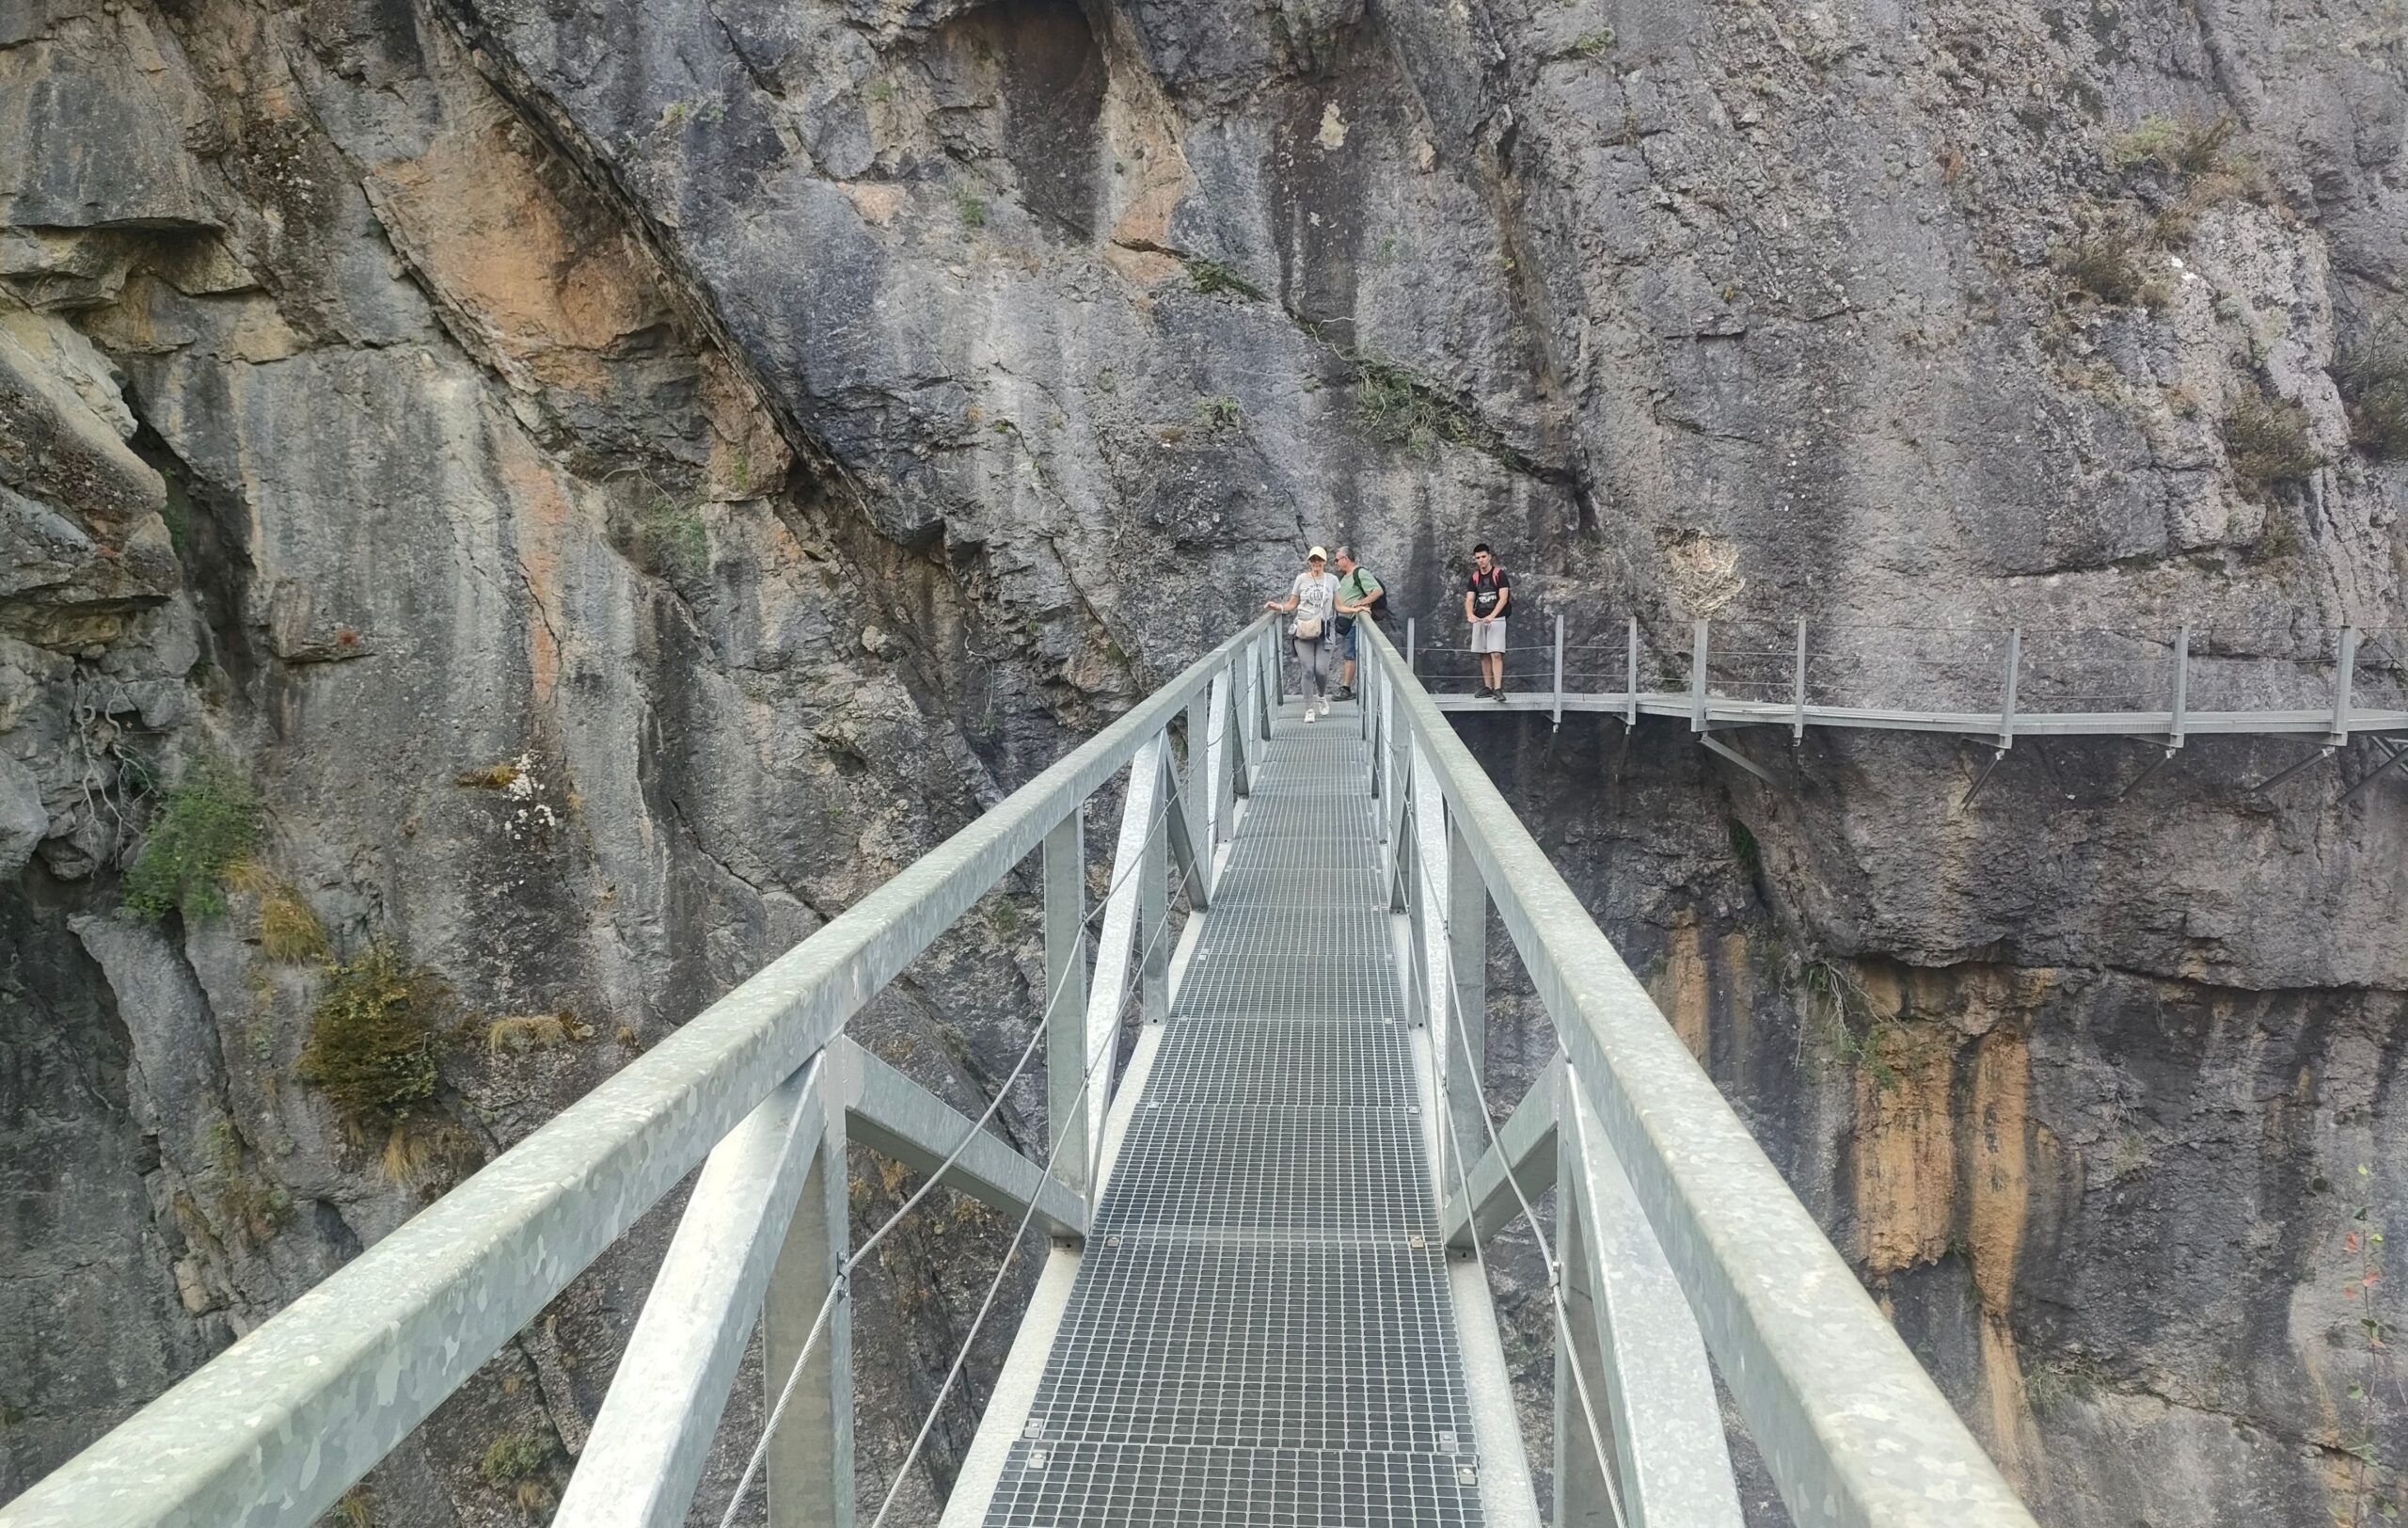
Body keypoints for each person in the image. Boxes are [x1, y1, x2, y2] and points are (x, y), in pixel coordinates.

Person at [1264, 545, 1341, 721]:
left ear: (1324, 562)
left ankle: (1321, 697)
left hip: (1325, 631)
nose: (1316, 562)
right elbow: (1292, 603)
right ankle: (1309, 709)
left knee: (1321, 670)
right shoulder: (1301, 579)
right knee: (1307, 669)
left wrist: (1358, 609)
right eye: (1313, 559)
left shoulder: (1332, 580)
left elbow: (1339, 605)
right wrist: (1279, 607)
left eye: (1319, 559)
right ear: (1309, 562)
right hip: (1304, 630)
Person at [1332, 547, 1385, 701]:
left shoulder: (1359, 573)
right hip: (1347, 622)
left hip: (1355, 622)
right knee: (1349, 655)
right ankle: (1350, 688)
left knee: (1350, 655)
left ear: (1345, 559)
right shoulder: (1345, 577)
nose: (1336, 563)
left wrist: (1362, 602)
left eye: (1337, 560)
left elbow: (1377, 590)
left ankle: (1346, 688)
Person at [1464, 543, 1511, 700]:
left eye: (1483, 556)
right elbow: (1470, 599)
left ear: (1489, 556)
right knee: (1483, 653)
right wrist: (1470, 614)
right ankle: (1488, 687)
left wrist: (1493, 615)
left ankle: (1498, 688)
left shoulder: (1499, 574)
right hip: (1480, 618)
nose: (1481, 560)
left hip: (1496, 619)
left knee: (1496, 653)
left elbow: (1504, 597)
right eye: (1478, 558)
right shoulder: (1475, 578)